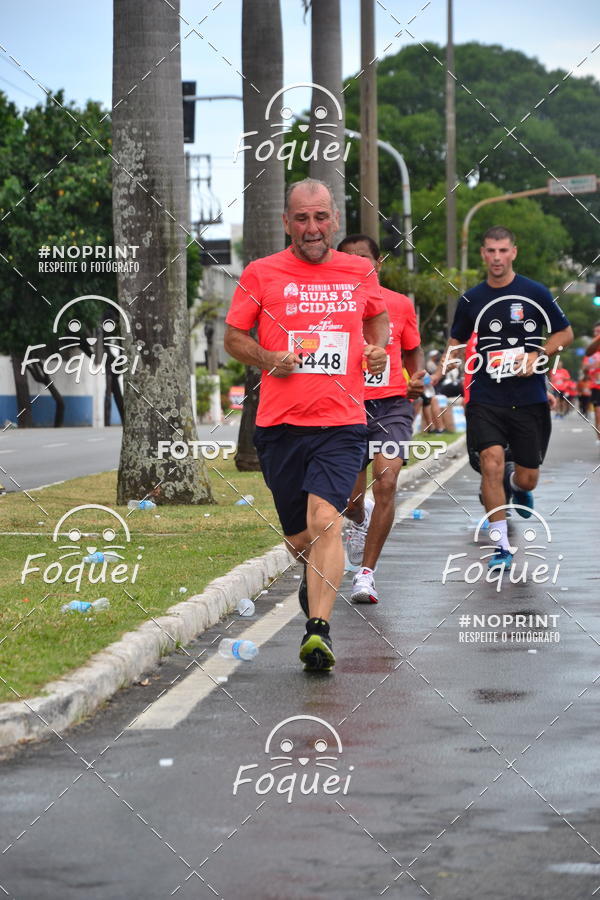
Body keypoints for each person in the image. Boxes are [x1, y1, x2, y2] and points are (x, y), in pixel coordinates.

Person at [224, 179, 388, 671]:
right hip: (280, 426)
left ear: (333, 219)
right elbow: (234, 337)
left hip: (341, 422)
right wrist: (268, 357)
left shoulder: (358, 270)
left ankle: (318, 631)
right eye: (301, 218)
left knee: (326, 522)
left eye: (320, 217)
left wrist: (376, 349)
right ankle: (314, 576)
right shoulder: (261, 273)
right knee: (301, 540)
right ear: (287, 223)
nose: (312, 227)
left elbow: (377, 318)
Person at [433, 225, 573, 570]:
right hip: (486, 396)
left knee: (528, 478)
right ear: (483, 254)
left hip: (529, 398)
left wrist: (537, 354)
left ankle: (517, 484)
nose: (497, 257)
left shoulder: (535, 292)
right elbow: (457, 341)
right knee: (490, 461)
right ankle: (501, 546)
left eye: (503, 250)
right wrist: (437, 373)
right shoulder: (471, 299)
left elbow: (565, 333)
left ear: (514, 252)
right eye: (491, 251)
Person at [338, 234, 425, 604]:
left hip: (391, 406)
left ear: (378, 263)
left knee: (386, 481)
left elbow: (413, 350)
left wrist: (417, 378)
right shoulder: (334, 305)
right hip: (346, 407)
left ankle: (366, 575)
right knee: (350, 502)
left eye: (364, 258)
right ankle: (360, 520)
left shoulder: (400, 304)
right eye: (349, 258)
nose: (357, 264)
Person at [583, 321, 600, 443]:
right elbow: (585, 369)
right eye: (596, 332)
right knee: (598, 413)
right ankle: (598, 437)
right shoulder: (591, 351)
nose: (597, 334)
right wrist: (590, 367)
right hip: (596, 387)